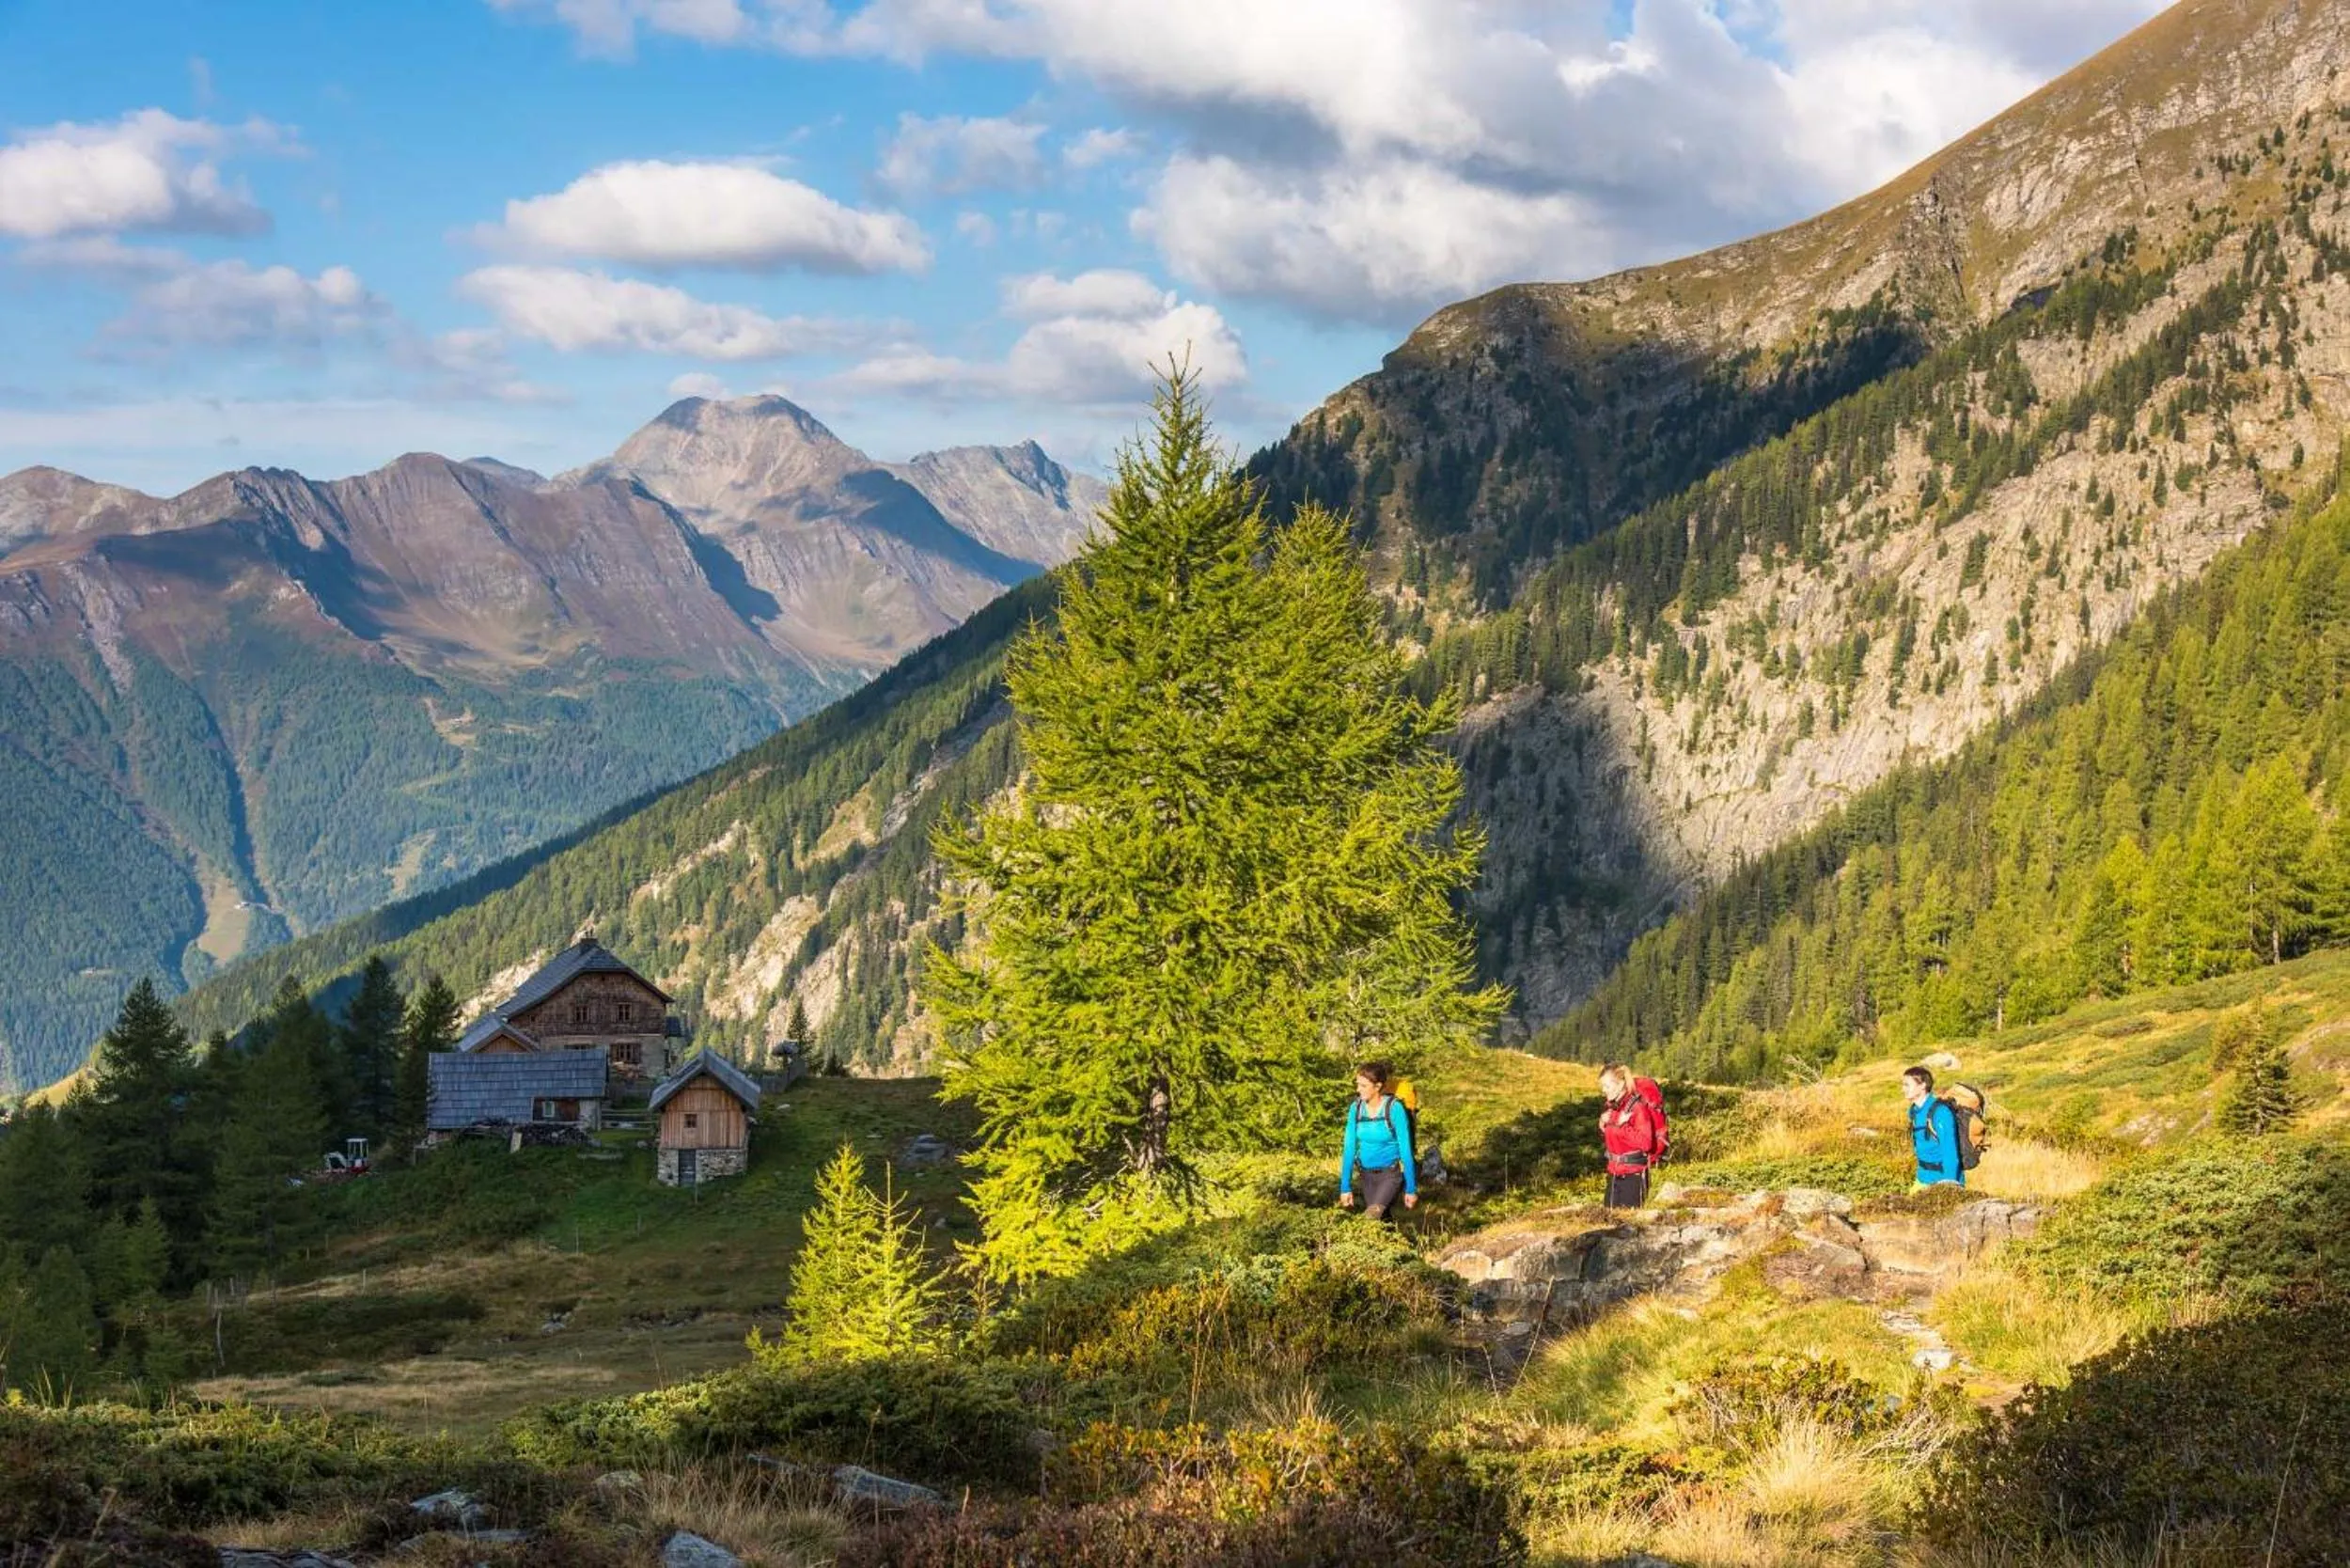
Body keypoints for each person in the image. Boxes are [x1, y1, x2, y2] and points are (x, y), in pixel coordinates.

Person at [1338, 1061, 1418, 1220]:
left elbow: (1406, 1151)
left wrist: (1411, 1188)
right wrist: (1345, 1187)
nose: (1357, 1089)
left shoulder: (1395, 1109)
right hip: (1366, 1176)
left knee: (1370, 1218)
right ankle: (1400, 1245)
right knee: (1383, 1221)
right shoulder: (1356, 1108)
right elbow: (1349, 1148)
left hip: (1390, 1175)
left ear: (1378, 1086)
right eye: (1357, 1085)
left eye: (1363, 1085)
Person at [1597, 1063, 1663, 1209]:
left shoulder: (1637, 1108)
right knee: (1610, 1223)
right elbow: (1614, 1137)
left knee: (1629, 1225)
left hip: (1633, 1176)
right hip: (1614, 1172)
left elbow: (1646, 1143)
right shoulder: (1613, 1106)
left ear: (1620, 1084)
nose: (1603, 1090)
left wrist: (1623, 1126)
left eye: (1607, 1086)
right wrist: (1602, 1123)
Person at [1904, 1066, 1966, 1188]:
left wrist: (1949, 1186)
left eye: (1907, 1085)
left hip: (1943, 1180)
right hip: (1922, 1178)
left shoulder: (1941, 1112)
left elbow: (1950, 1153)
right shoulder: (1913, 1111)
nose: (1903, 1089)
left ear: (1922, 1086)